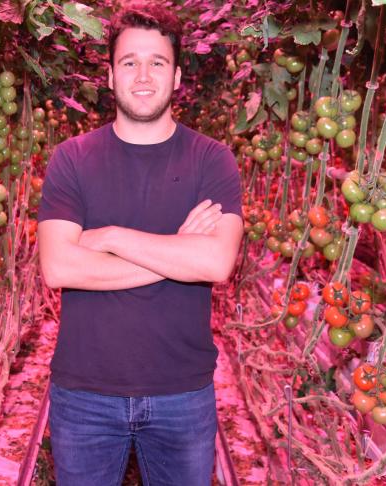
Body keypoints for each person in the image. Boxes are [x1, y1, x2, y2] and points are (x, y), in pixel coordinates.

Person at [36, 3, 243, 485]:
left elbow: (215, 262)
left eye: (158, 63)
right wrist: (175, 251)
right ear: (109, 76)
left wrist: (109, 238)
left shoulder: (212, 160)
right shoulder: (72, 159)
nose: (144, 75)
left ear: (176, 79)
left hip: (182, 393)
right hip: (84, 392)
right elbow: (59, 267)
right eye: (130, 62)